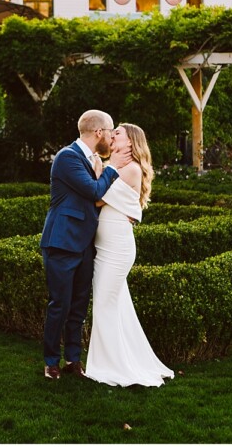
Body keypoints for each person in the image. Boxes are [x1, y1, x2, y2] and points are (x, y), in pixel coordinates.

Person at [40, 109, 131, 380]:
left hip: (86, 245)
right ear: (98, 133)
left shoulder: (92, 160)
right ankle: (51, 362)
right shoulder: (67, 157)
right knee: (60, 304)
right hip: (62, 242)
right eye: (110, 131)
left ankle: (74, 360)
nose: (112, 139)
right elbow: (93, 191)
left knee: (79, 305)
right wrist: (113, 166)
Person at [84, 123, 175, 387]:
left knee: (104, 304)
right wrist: (105, 166)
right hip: (104, 249)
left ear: (132, 142)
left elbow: (97, 198)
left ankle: (111, 367)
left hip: (117, 249)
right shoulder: (113, 166)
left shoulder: (133, 169)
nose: (112, 136)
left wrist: (105, 168)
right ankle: (114, 361)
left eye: (118, 134)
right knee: (115, 306)